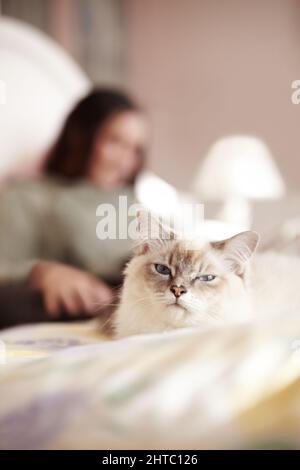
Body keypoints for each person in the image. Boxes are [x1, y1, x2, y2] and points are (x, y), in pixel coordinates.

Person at [0, 89, 148, 326]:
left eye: (135, 149)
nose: (125, 160)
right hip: (67, 310)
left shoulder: (130, 201)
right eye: (115, 141)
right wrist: (42, 272)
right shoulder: (27, 196)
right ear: (80, 137)